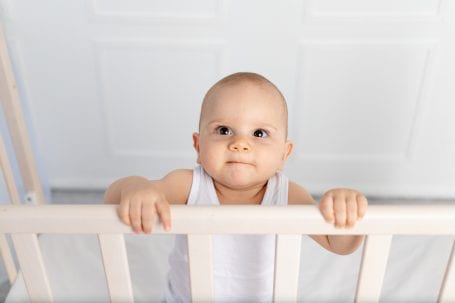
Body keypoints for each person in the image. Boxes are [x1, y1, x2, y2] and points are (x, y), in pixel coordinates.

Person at [104, 72, 368, 302]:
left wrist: (344, 208)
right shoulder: (188, 185)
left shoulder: (286, 195)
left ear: (283, 154)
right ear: (198, 146)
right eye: (223, 130)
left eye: (259, 134)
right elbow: (112, 200)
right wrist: (136, 187)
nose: (240, 143)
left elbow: (339, 244)